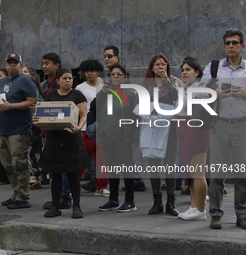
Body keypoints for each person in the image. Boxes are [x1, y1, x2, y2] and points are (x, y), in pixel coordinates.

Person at [205, 28, 246, 229]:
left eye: (235, 42)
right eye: (228, 43)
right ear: (224, 46)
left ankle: (242, 214)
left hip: (242, 126)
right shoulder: (213, 68)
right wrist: (215, 93)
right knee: (217, 172)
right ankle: (215, 214)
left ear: (242, 46)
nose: (231, 46)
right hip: (219, 125)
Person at [33, 68, 88, 219]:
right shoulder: (51, 95)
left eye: (70, 78)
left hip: (71, 138)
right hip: (54, 140)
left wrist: (79, 127)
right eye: (65, 78)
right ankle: (55, 206)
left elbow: (83, 114)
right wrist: (37, 121)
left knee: (72, 175)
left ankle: (76, 206)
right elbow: (44, 116)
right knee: (55, 175)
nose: (68, 81)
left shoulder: (77, 95)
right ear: (58, 81)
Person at [97, 65, 139, 212]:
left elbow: (137, 117)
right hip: (107, 135)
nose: (115, 77)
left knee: (127, 168)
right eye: (113, 74)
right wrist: (102, 92)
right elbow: (95, 107)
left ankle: (130, 201)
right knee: (112, 168)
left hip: (124, 136)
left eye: (118, 74)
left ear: (125, 77)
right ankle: (113, 199)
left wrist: (135, 138)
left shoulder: (132, 93)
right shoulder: (106, 92)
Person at [0, 53, 36, 210]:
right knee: (7, 164)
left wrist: (11, 107)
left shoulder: (26, 80)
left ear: (20, 65)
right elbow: (1, 102)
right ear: (5, 65)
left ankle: (23, 196)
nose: (12, 65)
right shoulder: (3, 81)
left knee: (19, 164)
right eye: (9, 63)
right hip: (3, 129)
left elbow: (33, 102)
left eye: (15, 63)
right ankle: (16, 193)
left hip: (18, 130)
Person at [143, 54, 179, 216]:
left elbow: (175, 98)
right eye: (157, 65)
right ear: (151, 68)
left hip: (169, 127)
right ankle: (157, 202)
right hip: (151, 128)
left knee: (169, 163)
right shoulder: (146, 85)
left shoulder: (172, 81)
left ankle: (171, 202)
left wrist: (168, 81)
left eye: (164, 64)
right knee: (154, 164)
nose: (161, 67)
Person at [176, 57, 209, 221]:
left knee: (197, 173)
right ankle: (194, 206)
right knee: (191, 173)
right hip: (184, 132)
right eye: (182, 70)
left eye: (188, 69)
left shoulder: (200, 89)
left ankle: (201, 210)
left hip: (195, 132)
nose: (184, 72)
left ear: (197, 72)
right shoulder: (185, 88)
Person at [40, 53, 73, 210]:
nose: (44, 66)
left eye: (47, 63)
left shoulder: (57, 87)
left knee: (62, 166)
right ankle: (61, 196)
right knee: (57, 167)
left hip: (60, 131)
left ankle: (64, 197)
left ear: (56, 66)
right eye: (43, 63)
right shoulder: (47, 84)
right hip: (51, 131)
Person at [75, 60, 110, 197]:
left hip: (102, 129)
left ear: (98, 72)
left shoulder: (105, 87)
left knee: (103, 160)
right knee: (80, 160)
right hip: (84, 129)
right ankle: (72, 186)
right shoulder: (79, 88)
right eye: (86, 70)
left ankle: (101, 186)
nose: (89, 73)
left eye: (92, 70)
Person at [21, 66, 44, 189]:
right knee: (34, 151)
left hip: (33, 124)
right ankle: (38, 176)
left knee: (29, 151)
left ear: (32, 76)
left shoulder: (31, 88)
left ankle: (35, 175)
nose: (22, 74)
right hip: (31, 124)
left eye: (25, 72)